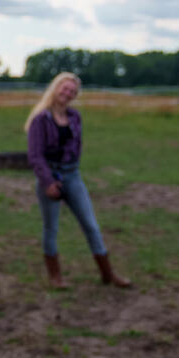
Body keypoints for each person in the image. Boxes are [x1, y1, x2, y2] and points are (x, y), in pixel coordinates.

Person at [25, 72, 131, 289]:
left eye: (72, 91)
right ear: (56, 88)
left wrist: (70, 170)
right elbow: (35, 156)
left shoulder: (75, 117)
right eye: (65, 88)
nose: (68, 94)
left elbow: (77, 147)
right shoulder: (40, 119)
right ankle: (55, 276)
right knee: (51, 228)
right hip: (50, 178)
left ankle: (108, 274)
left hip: (73, 177)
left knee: (91, 225)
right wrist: (48, 182)